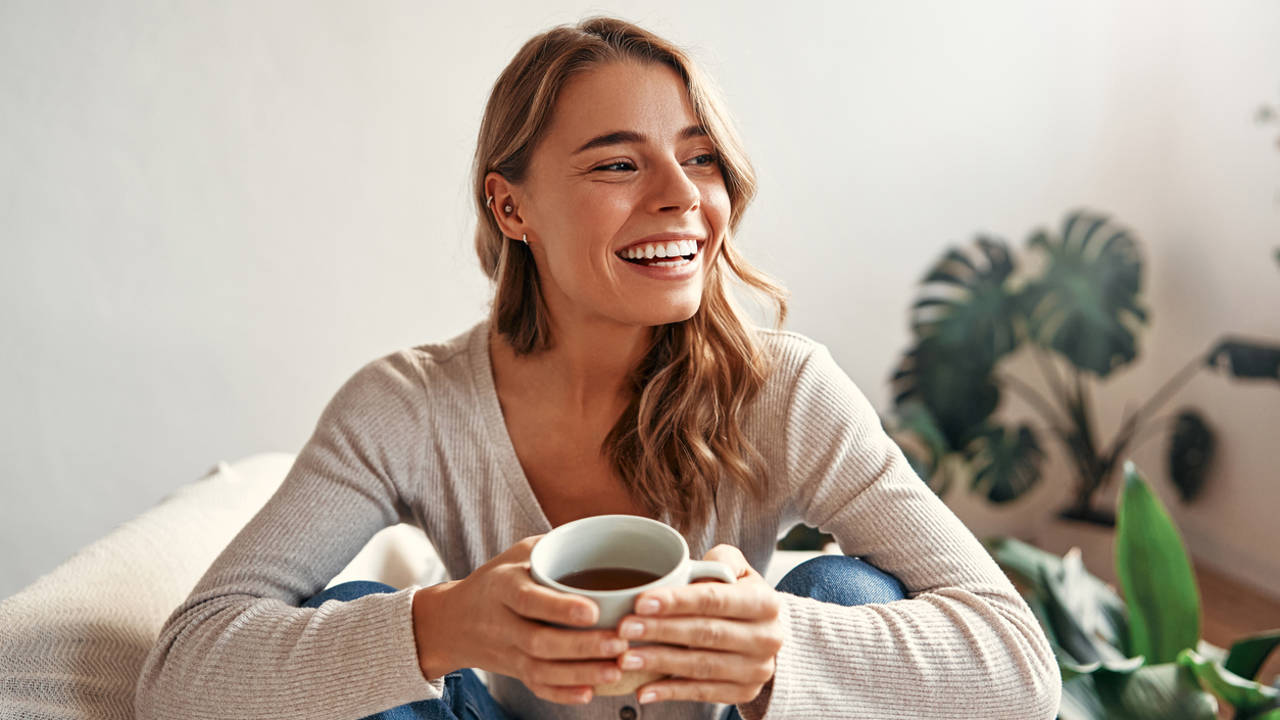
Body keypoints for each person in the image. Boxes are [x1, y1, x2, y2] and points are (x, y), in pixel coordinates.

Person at [135, 16, 1060, 720]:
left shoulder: (785, 391)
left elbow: (1022, 670)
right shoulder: (407, 408)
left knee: (846, 597)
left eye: (700, 158)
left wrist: (780, 651)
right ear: (511, 207)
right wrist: (445, 624)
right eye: (618, 163)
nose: (682, 198)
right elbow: (180, 676)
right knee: (360, 613)